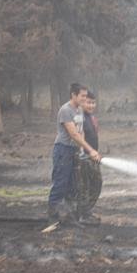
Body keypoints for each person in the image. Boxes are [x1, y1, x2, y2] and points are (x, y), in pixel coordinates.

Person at [47, 83, 100, 224]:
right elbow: (74, 134)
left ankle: (68, 214)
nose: (84, 98)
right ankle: (52, 215)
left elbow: (81, 131)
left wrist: (82, 150)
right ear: (73, 95)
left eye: (85, 95)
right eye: (82, 96)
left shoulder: (79, 110)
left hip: (74, 151)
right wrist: (91, 150)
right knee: (61, 181)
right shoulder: (66, 110)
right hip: (63, 149)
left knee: (73, 184)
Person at [72, 90, 105, 226]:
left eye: (93, 102)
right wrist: (86, 153)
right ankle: (82, 215)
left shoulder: (92, 117)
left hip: (92, 156)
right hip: (83, 158)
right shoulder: (79, 117)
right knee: (84, 187)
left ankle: (86, 212)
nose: (91, 105)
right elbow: (78, 137)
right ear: (82, 102)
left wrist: (96, 152)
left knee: (97, 183)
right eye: (88, 102)